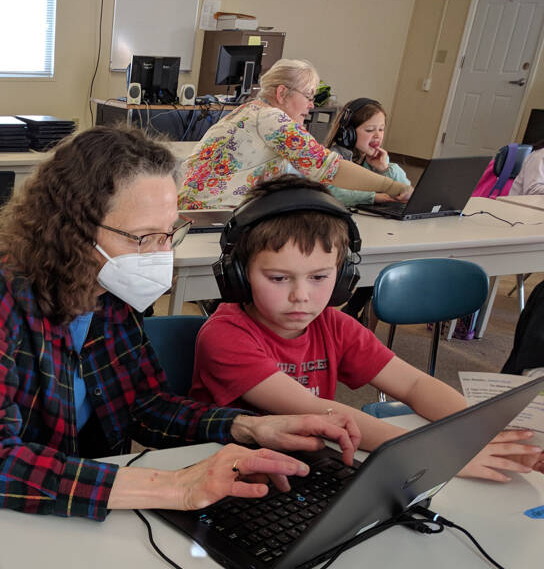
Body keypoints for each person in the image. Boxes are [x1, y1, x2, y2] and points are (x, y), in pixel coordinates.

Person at [0, 126, 364, 520]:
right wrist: (172, 486)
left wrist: (247, 428)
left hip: (61, 492)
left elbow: (143, 406)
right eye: (143, 237)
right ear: (74, 229)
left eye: (169, 234)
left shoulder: (112, 290)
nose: (160, 256)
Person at [190, 176, 544, 481]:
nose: (301, 296)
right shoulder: (226, 336)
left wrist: (485, 433)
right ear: (237, 277)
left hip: (309, 466)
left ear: (344, 277)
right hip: (232, 473)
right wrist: (440, 453)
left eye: (319, 277)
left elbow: (415, 384)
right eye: (279, 278)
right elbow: (320, 412)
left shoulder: (335, 326)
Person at [178, 59, 412, 210]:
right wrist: (393, 188)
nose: (312, 106)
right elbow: (328, 168)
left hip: (195, 212)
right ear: (282, 93)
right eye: (309, 96)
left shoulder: (248, 112)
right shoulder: (272, 119)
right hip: (210, 217)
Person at [324, 97, 411, 319]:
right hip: (335, 233)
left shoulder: (372, 159)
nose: (377, 136)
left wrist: (386, 168)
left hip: (369, 228)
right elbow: (335, 191)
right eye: (370, 129)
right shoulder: (334, 157)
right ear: (349, 133)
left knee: (389, 258)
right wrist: (377, 196)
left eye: (381, 129)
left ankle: (353, 312)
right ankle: (348, 312)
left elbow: (405, 191)